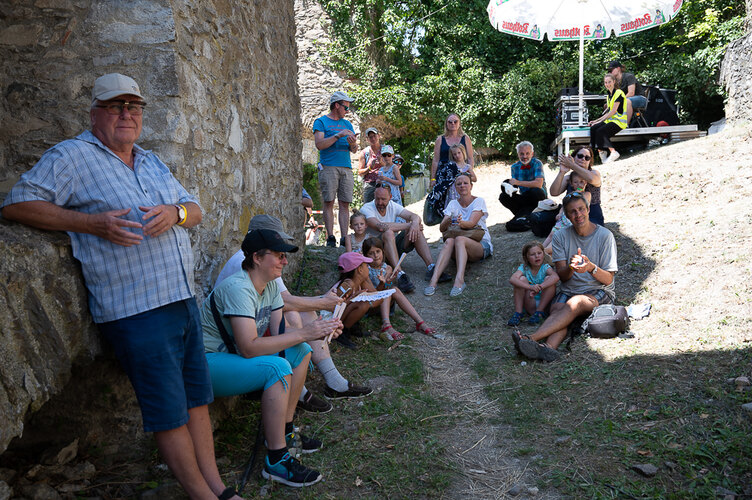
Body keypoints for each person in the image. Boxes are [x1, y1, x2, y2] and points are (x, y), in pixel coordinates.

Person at [1, 73, 242, 500]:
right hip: (136, 309)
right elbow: (17, 204)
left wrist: (175, 213)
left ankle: (219, 489)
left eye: (134, 106)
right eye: (116, 106)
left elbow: (195, 209)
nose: (127, 114)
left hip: (180, 298)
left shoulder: (151, 160)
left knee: (196, 400)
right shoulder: (72, 156)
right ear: (95, 113)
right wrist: (90, 223)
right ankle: (202, 497)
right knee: (169, 412)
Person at [202, 229, 341, 487]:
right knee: (277, 368)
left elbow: (280, 334)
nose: (284, 261)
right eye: (278, 256)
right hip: (208, 363)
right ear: (256, 258)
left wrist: (319, 329)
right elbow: (249, 348)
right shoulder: (239, 288)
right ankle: (276, 460)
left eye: (284, 256)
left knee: (301, 351)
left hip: (233, 356)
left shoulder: (270, 287)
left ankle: (284, 433)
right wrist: (306, 332)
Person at [214, 215, 372, 411]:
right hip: (234, 340)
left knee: (303, 316)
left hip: (251, 326)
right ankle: (299, 389)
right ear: (259, 250)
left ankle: (322, 381)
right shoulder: (252, 264)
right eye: (277, 244)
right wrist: (321, 305)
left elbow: (281, 300)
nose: (284, 259)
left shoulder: (261, 262)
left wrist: (319, 317)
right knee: (296, 315)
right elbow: (285, 303)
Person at [513, 192, 618, 362]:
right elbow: (563, 277)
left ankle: (530, 338)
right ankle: (548, 348)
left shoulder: (605, 236)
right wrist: (571, 267)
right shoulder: (560, 236)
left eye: (581, 209)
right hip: (569, 289)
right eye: (572, 211)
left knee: (575, 303)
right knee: (557, 311)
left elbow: (608, 280)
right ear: (567, 216)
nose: (578, 214)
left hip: (598, 291)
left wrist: (590, 267)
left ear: (588, 209)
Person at [360, 184, 446, 293]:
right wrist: (410, 225)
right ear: (374, 196)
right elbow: (381, 227)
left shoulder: (393, 205)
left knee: (416, 228)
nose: (380, 202)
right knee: (388, 233)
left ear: (390, 197)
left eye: (383, 199)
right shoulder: (366, 208)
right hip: (374, 253)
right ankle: (400, 274)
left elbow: (415, 217)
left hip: (390, 248)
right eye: (377, 199)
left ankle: (431, 267)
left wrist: (414, 224)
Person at [424, 173, 492, 297]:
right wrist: (447, 220)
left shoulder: (479, 201)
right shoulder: (453, 204)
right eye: (459, 184)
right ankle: (433, 281)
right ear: (455, 188)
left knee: (459, 239)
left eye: (465, 183)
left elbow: (471, 223)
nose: (462, 186)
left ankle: (459, 280)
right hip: (457, 248)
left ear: (471, 186)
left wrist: (460, 223)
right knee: (449, 241)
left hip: (480, 244)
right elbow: (442, 228)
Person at [362, 237, 437, 340]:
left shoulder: (387, 268)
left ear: (383, 251)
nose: (376, 256)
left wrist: (388, 281)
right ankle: (386, 325)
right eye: (371, 253)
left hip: (385, 305)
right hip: (371, 304)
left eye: (378, 251)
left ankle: (420, 322)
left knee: (394, 289)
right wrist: (382, 284)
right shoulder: (365, 270)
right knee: (387, 291)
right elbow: (374, 294)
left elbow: (386, 287)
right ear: (366, 255)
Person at [313, 91, 358, 247]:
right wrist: (338, 135)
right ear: (337, 105)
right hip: (328, 166)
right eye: (346, 107)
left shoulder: (348, 124)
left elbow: (354, 150)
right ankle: (330, 237)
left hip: (346, 167)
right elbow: (319, 144)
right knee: (329, 201)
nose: (348, 111)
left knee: (345, 203)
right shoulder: (321, 122)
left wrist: (353, 143)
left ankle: (345, 238)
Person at [507, 241, 560, 326]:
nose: (537, 256)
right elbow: (512, 279)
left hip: (545, 305)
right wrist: (530, 287)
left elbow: (556, 277)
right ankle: (518, 313)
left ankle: (539, 312)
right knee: (521, 279)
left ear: (543, 254)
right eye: (532, 254)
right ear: (526, 258)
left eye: (539, 253)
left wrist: (540, 287)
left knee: (549, 279)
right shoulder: (524, 268)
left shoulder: (545, 267)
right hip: (531, 302)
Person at [549, 146, 604, 226]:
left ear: (589, 161)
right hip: (571, 213)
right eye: (580, 156)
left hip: (592, 214)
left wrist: (572, 165)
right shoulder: (569, 177)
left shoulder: (594, 173)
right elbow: (553, 192)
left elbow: (592, 179)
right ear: (573, 157)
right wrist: (562, 172)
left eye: (587, 158)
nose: (583, 159)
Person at [542, 171, 591, 254]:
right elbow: (564, 206)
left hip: (572, 222)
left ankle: (545, 252)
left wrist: (578, 191)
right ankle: (540, 249)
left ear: (585, 182)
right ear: (571, 184)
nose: (579, 184)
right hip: (563, 219)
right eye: (576, 182)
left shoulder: (587, 194)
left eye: (581, 182)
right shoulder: (569, 195)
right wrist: (560, 213)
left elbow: (583, 202)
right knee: (551, 234)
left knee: (558, 237)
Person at [498, 141, 547, 218]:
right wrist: (508, 186)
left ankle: (528, 215)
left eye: (527, 153)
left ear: (532, 154)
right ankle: (522, 215)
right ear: (518, 154)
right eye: (521, 154)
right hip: (524, 197)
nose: (524, 156)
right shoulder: (514, 167)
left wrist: (518, 182)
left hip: (538, 197)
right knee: (503, 196)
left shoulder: (537, 163)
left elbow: (538, 184)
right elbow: (514, 187)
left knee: (536, 192)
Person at [589, 73, 627, 164]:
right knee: (593, 128)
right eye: (606, 82)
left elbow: (613, 112)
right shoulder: (609, 95)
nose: (607, 84)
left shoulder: (618, 93)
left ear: (614, 82)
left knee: (600, 131)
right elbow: (608, 113)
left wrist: (598, 121)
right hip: (611, 120)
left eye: (609, 82)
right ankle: (601, 152)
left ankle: (613, 152)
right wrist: (595, 121)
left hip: (619, 122)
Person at [430, 113, 474, 190]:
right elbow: (435, 160)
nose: (453, 123)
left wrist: (468, 175)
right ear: (446, 124)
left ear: (459, 123)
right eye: (450, 122)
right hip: (443, 176)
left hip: (460, 174)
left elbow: (470, 158)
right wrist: (433, 178)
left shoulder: (465, 138)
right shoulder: (440, 139)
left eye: (455, 121)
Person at [607, 60, 646, 127]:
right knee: (607, 105)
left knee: (627, 102)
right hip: (626, 99)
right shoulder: (614, 82)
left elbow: (631, 93)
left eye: (611, 70)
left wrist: (618, 100)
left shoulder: (629, 76)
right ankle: (611, 124)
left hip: (640, 98)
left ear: (618, 68)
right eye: (609, 71)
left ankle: (625, 125)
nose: (610, 72)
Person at [444, 144, 476, 208]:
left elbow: (475, 179)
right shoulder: (451, 166)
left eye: (459, 153)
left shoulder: (467, 167)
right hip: (453, 190)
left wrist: (465, 176)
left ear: (463, 152)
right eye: (454, 154)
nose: (457, 155)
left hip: (463, 189)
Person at [357, 127, 383, 203]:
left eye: (374, 136)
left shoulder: (386, 150)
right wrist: (370, 168)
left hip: (385, 183)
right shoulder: (364, 153)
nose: (373, 138)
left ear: (379, 136)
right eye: (370, 137)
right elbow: (360, 172)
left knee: (385, 207)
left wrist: (381, 162)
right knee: (369, 208)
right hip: (370, 184)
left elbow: (393, 166)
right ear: (367, 139)